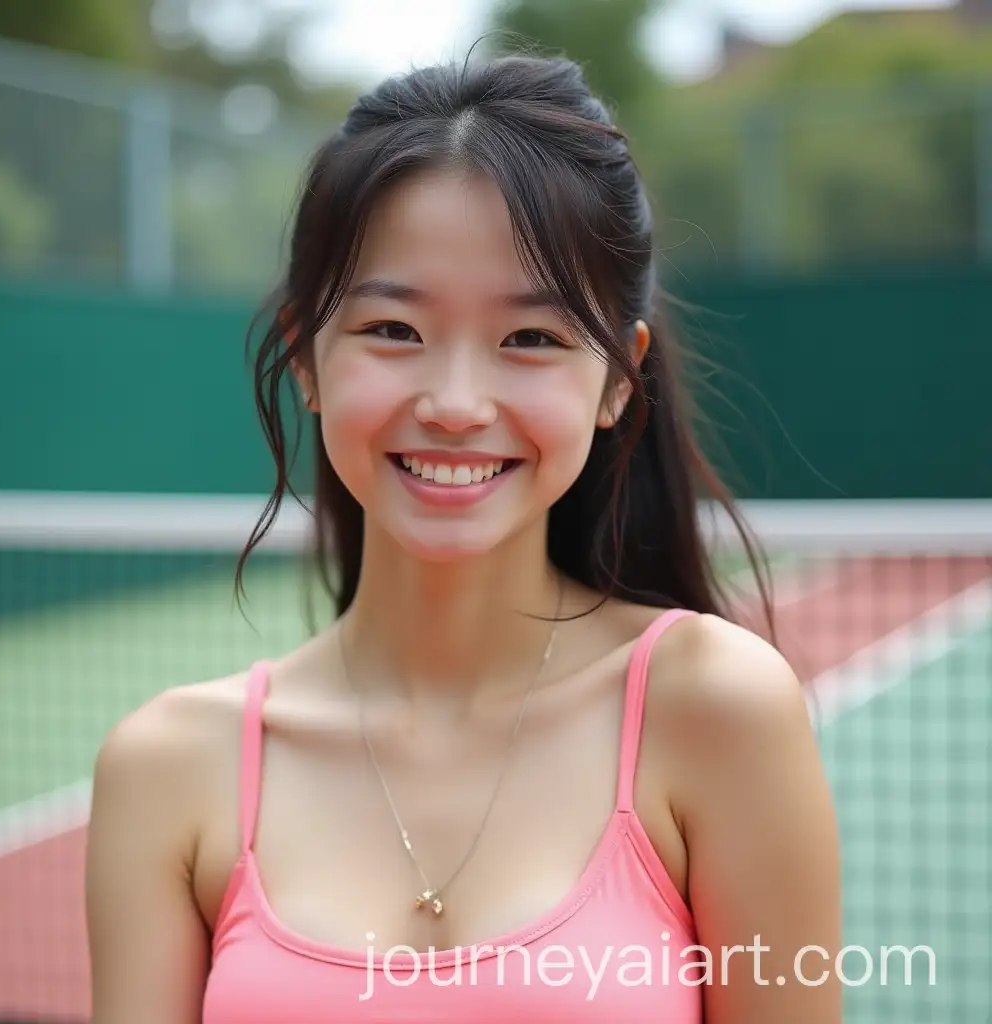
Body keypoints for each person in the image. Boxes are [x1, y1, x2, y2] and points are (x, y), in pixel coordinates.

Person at [85, 51, 842, 1023]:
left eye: (531, 338)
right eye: (394, 330)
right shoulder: (167, 768)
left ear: (618, 379)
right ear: (304, 354)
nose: (453, 403)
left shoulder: (717, 711)